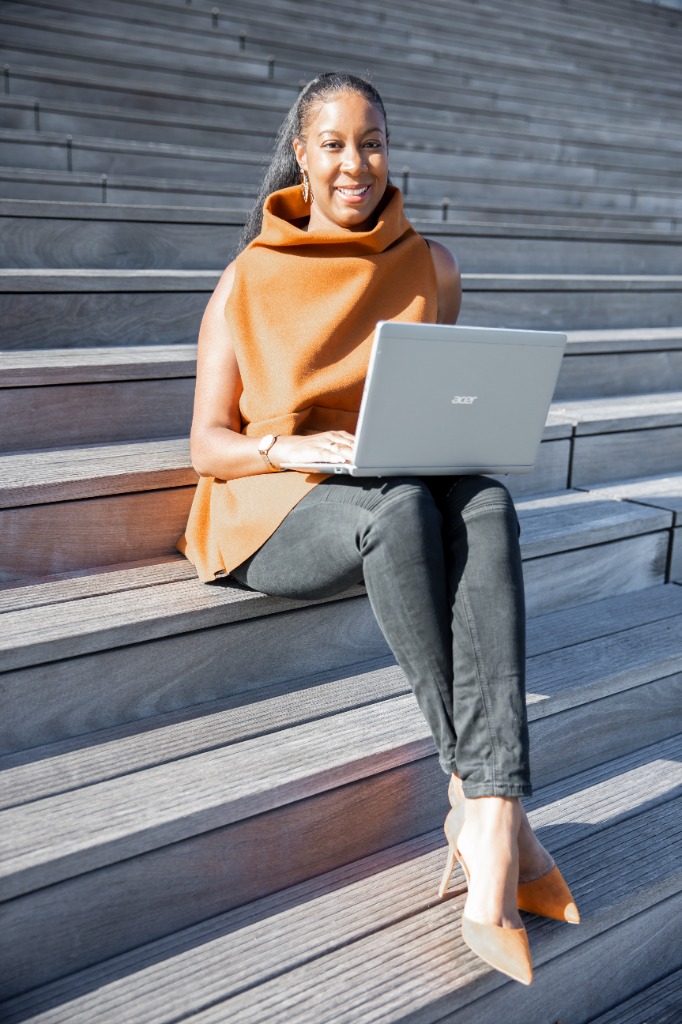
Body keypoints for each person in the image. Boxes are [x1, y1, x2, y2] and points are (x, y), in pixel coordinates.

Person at [179, 71, 579, 986]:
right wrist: (292, 446)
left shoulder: (430, 264)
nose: (354, 163)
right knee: (399, 513)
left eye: (371, 142)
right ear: (301, 155)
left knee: (481, 500)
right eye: (332, 143)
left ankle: (485, 805)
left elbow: (436, 401)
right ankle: (491, 807)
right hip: (271, 507)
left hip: (391, 482)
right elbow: (207, 444)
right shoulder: (248, 276)